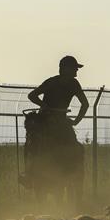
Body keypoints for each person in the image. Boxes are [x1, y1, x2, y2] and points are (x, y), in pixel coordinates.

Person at [22, 56, 90, 204]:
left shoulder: (64, 82)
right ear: (64, 68)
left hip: (53, 120)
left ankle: (30, 174)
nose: (76, 71)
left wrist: (42, 104)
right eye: (74, 68)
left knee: (34, 145)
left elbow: (32, 95)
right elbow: (85, 104)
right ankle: (74, 172)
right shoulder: (63, 83)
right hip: (52, 120)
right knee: (34, 143)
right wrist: (76, 121)